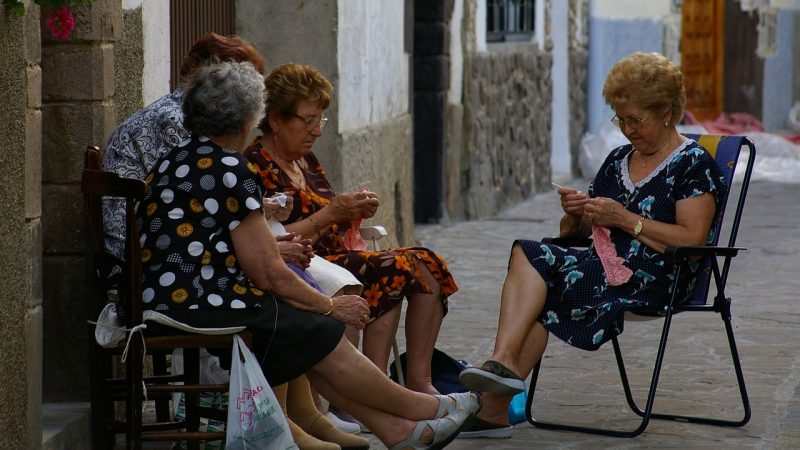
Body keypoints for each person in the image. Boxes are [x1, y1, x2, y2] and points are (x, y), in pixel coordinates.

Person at [138, 60, 480, 449]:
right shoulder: (231, 168)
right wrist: (330, 307)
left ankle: (400, 431)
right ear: (250, 118)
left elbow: (213, 242)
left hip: (170, 294)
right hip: (199, 302)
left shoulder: (179, 158)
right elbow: (267, 272)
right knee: (314, 329)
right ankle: (425, 408)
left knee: (309, 333)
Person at [457, 51, 727, 438]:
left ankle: (495, 403)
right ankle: (501, 368)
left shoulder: (693, 163)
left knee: (542, 283)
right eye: (621, 120)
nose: (628, 130)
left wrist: (625, 219)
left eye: (637, 120)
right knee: (528, 254)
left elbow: (692, 239)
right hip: (601, 264)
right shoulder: (618, 160)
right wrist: (576, 215)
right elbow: (581, 235)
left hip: (658, 275)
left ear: (667, 112)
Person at [245, 63, 459, 395]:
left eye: (320, 121)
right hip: (305, 263)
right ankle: (372, 390)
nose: (317, 131)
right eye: (308, 121)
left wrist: (353, 209)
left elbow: (326, 212)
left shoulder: (306, 161)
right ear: (275, 120)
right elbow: (272, 239)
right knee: (393, 269)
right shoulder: (255, 165)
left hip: (336, 255)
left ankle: (419, 381)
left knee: (429, 263)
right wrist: (334, 211)